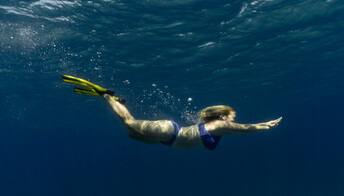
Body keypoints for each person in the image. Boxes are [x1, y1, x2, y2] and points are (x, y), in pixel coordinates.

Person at [63, 75, 282, 150]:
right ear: (224, 116)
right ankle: (106, 94)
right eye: (232, 115)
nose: (235, 118)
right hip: (170, 133)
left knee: (131, 132)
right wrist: (265, 126)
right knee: (129, 123)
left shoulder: (218, 129)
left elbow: (239, 129)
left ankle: (115, 101)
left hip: (168, 140)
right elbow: (243, 129)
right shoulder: (220, 126)